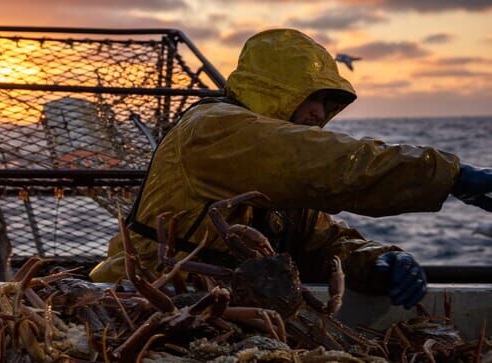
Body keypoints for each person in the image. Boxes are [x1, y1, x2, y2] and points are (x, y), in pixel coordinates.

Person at [90, 29, 492, 309]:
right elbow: (323, 163)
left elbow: (320, 242)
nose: (320, 114)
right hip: (140, 304)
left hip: (232, 311)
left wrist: (376, 259)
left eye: (328, 104)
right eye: (311, 98)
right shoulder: (211, 130)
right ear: (273, 91)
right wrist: (448, 175)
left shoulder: (283, 176)